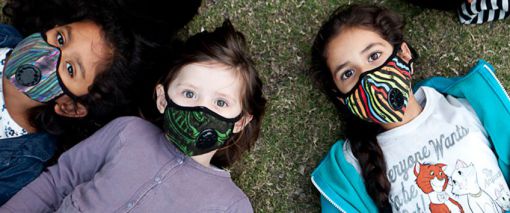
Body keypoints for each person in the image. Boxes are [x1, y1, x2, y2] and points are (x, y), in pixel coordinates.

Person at [0, 19, 266, 212]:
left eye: (221, 102)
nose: (202, 110)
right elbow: (59, 181)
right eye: (189, 94)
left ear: (240, 121)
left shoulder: (231, 205)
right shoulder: (128, 131)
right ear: (163, 99)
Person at [309, 4, 510, 213]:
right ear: (341, 98)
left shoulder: (467, 106)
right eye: (348, 73)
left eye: (374, 56)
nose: (368, 78)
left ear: (403, 54)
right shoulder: (350, 169)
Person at [0, 0, 201, 204]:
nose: (47, 55)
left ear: (71, 107)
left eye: (70, 69)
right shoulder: (5, 37)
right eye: (60, 38)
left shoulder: (20, 166)